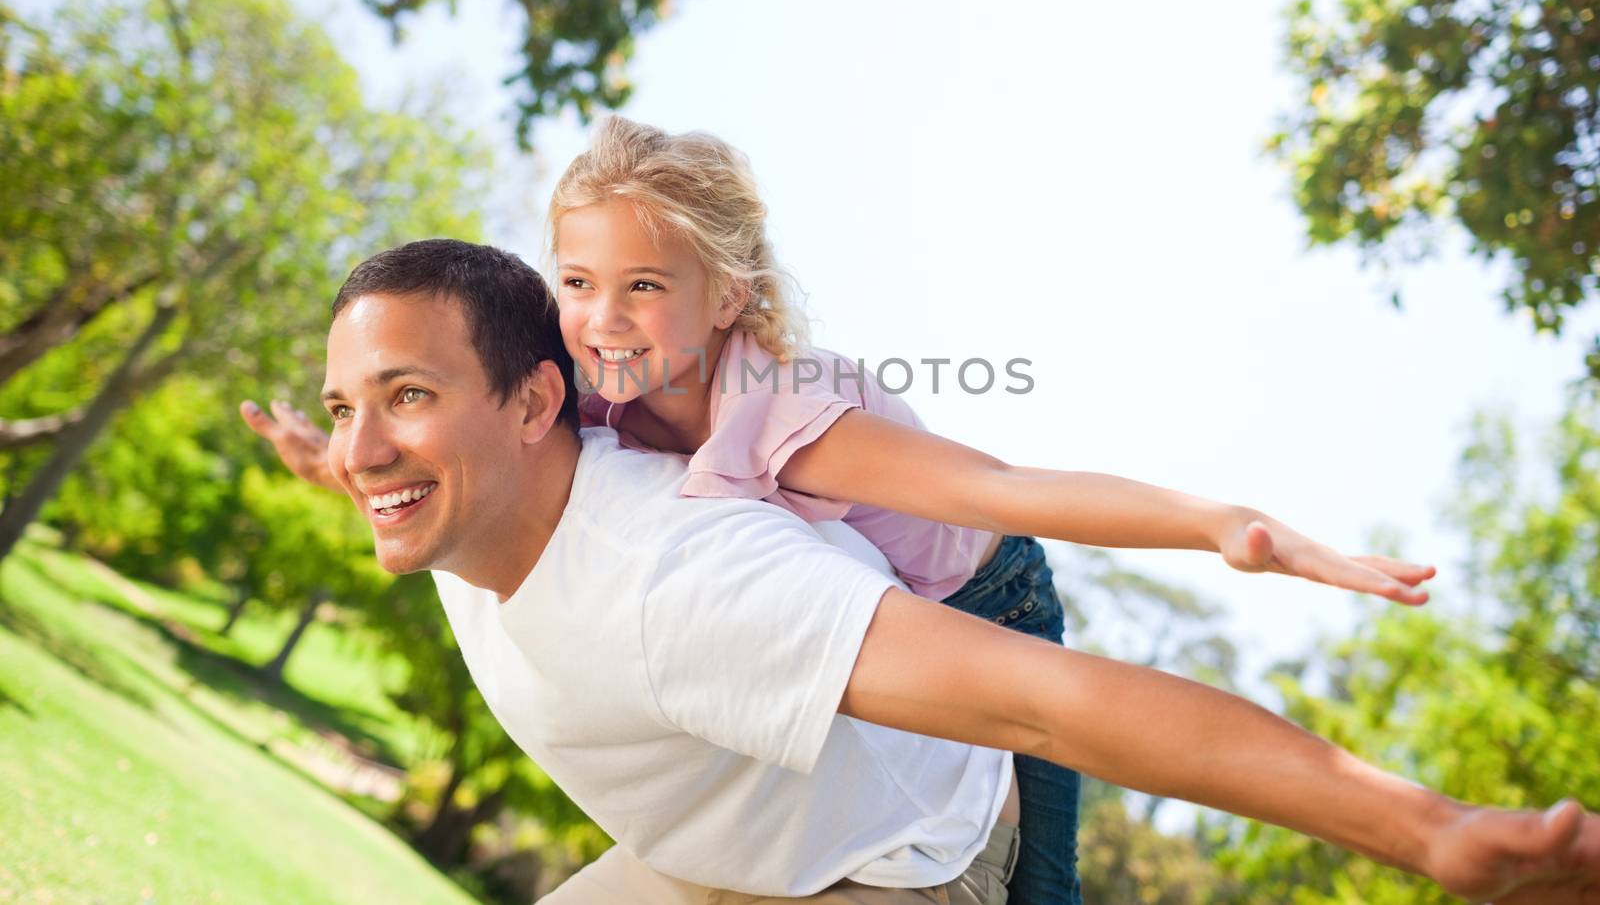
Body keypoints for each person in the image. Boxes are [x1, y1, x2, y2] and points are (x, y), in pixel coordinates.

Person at [254, 118, 1440, 904]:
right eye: (576, 283)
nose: (603, 317)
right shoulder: (583, 397)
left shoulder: (787, 417)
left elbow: (1004, 489)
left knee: (1043, 869)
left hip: (991, 592)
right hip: (865, 634)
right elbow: (461, 452)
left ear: (729, 296)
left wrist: (1228, 526)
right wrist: (346, 462)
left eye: (644, 286)